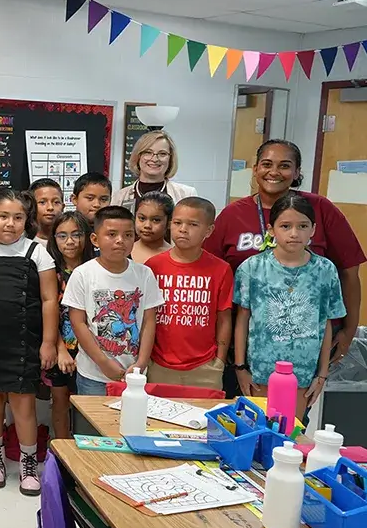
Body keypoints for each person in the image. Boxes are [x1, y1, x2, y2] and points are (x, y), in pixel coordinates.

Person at [207, 139, 364, 386]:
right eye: (267, 164)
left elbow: (349, 271)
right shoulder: (232, 214)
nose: (274, 172)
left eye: (284, 165)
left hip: (305, 343)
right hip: (246, 341)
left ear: (297, 172)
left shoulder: (319, 209)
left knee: (293, 420)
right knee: (246, 414)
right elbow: (211, 275)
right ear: (256, 168)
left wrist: (348, 329)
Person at [0, 188, 58, 495]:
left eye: (18, 217)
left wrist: (48, 342)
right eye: (3, 216)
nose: (10, 223)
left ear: (27, 220)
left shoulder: (36, 251)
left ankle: (27, 461)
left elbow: (49, 299)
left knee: (23, 402)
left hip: (24, 340)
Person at [234, 193, 345, 409]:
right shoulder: (252, 268)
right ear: (270, 229)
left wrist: (322, 375)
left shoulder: (325, 270)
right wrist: (240, 368)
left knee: (292, 435)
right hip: (260, 374)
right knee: (259, 431)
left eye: (302, 226)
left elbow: (326, 324)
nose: (294, 233)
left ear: (313, 229)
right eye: (285, 226)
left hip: (303, 375)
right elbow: (242, 320)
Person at [64, 206, 164, 397]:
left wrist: (141, 363)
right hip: (93, 374)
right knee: (90, 426)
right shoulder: (83, 274)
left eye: (128, 235)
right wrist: (103, 363)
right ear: (95, 239)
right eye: (111, 234)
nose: (120, 240)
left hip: (135, 375)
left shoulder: (144, 274)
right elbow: (78, 323)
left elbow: (149, 321)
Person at [145, 197, 232, 391]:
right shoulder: (153, 266)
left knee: (202, 420)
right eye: (177, 223)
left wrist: (219, 361)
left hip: (205, 367)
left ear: (208, 230)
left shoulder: (221, 269)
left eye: (193, 224)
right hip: (159, 365)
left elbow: (224, 318)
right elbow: (145, 317)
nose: (183, 229)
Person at [45, 211, 95, 439]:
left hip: (92, 349)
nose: (70, 241)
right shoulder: (50, 272)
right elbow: (48, 313)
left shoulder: (96, 269)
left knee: (88, 404)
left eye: (76, 234)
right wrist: (61, 349)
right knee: (60, 399)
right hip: (61, 346)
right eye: (62, 235)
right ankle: (62, 451)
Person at [112, 131, 198, 210]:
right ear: (138, 157)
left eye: (162, 154)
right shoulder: (119, 197)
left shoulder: (186, 194)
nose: (155, 159)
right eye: (148, 152)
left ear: (170, 159)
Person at [131, 191, 173, 264]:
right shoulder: (124, 251)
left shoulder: (176, 256)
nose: (147, 225)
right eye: (142, 218)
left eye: (156, 220)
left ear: (169, 223)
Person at [30, 178, 65, 247]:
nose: (50, 207)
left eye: (56, 202)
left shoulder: (70, 242)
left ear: (63, 207)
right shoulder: (22, 241)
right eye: (42, 202)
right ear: (31, 206)